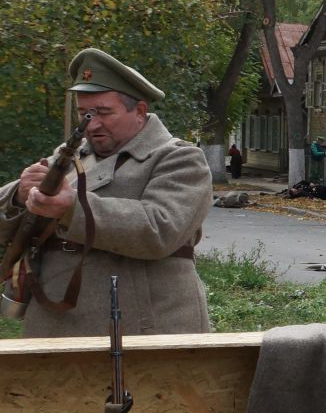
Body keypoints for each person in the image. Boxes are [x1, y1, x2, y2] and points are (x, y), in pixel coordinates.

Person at [1, 48, 211, 336]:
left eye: (103, 112)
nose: (92, 124)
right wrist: (19, 196)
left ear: (139, 111)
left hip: (142, 328)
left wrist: (71, 208)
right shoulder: (70, 156)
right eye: (84, 113)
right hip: (54, 322)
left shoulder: (180, 159)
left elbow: (159, 229)